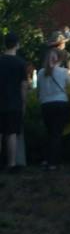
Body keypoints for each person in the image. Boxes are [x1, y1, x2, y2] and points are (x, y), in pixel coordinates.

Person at [36, 45, 70, 167]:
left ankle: (46, 158)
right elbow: (69, 89)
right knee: (57, 134)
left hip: (45, 104)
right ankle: (54, 162)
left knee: (49, 132)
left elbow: (39, 91)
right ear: (59, 59)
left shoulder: (40, 73)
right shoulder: (64, 72)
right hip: (61, 103)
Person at [0, 33, 27, 172]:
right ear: (17, 44)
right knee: (11, 134)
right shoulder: (21, 63)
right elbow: (23, 86)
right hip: (14, 102)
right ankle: (11, 163)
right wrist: (24, 103)